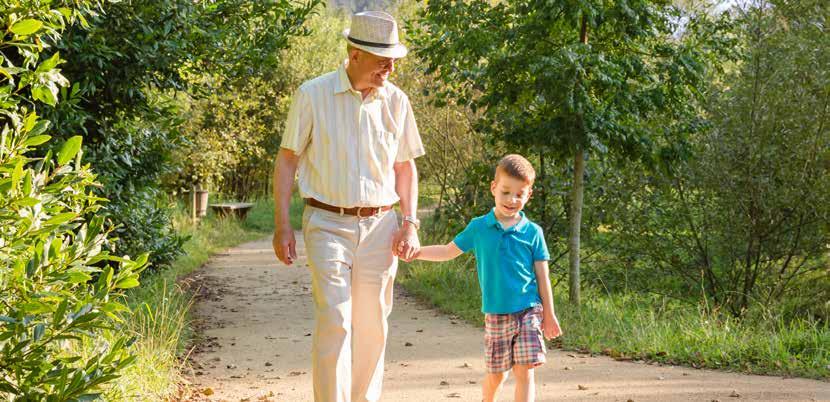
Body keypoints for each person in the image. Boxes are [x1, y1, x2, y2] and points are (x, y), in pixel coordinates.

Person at [271, 11, 424, 402]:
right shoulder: (313, 94)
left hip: (381, 226)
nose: (390, 68)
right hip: (325, 222)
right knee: (335, 318)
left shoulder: (397, 100)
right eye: (382, 60)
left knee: (373, 325)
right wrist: (282, 224)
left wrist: (409, 223)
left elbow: (405, 167)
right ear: (355, 54)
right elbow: (287, 158)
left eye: (393, 60)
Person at [412, 154, 562, 402]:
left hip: (529, 310)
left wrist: (549, 313)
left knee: (525, 371)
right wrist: (416, 253)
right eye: (505, 192)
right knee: (497, 376)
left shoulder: (534, 232)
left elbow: (542, 277)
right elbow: (448, 251)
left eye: (519, 194)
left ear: (528, 195)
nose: (512, 200)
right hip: (496, 313)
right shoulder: (479, 227)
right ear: (494, 188)